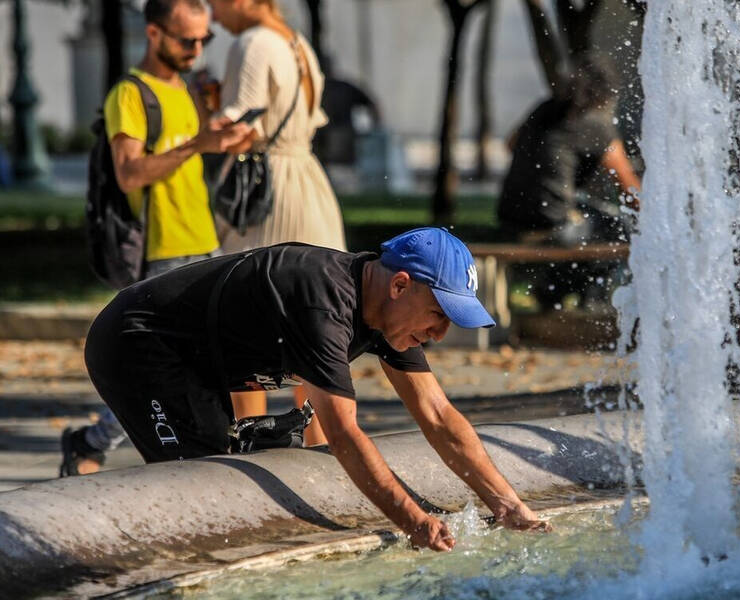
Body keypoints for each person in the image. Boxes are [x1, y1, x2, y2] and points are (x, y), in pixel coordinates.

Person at [83, 227, 550, 549]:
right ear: (401, 285)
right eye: (440, 315)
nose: (441, 334)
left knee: (228, 481)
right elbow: (344, 434)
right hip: (138, 343)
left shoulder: (388, 314)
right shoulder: (323, 304)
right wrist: (414, 521)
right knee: (199, 483)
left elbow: (439, 416)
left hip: (198, 362)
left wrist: (511, 508)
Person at [60, 0, 252, 477]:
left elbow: (191, 161)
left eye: (203, 40)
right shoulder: (130, 94)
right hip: (162, 254)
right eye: (187, 40)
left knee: (218, 360)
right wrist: (196, 145)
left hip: (204, 242)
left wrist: (224, 139)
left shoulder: (185, 89)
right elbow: (128, 174)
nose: (196, 48)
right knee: (155, 373)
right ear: (153, 33)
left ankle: (214, 453)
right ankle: (93, 440)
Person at [206, 0, 348, 444]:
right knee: (317, 318)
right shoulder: (298, 43)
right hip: (308, 182)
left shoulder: (252, 43)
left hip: (269, 193)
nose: (212, 12)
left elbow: (238, 128)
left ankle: (248, 443)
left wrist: (202, 109)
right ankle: (320, 441)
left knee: (245, 316)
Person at [497, 58, 641, 245]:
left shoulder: (546, 107)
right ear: (607, 93)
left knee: (583, 204)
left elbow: (510, 144)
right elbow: (630, 191)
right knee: (625, 228)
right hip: (552, 227)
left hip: (510, 219)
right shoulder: (596, 125)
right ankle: (610, 274)